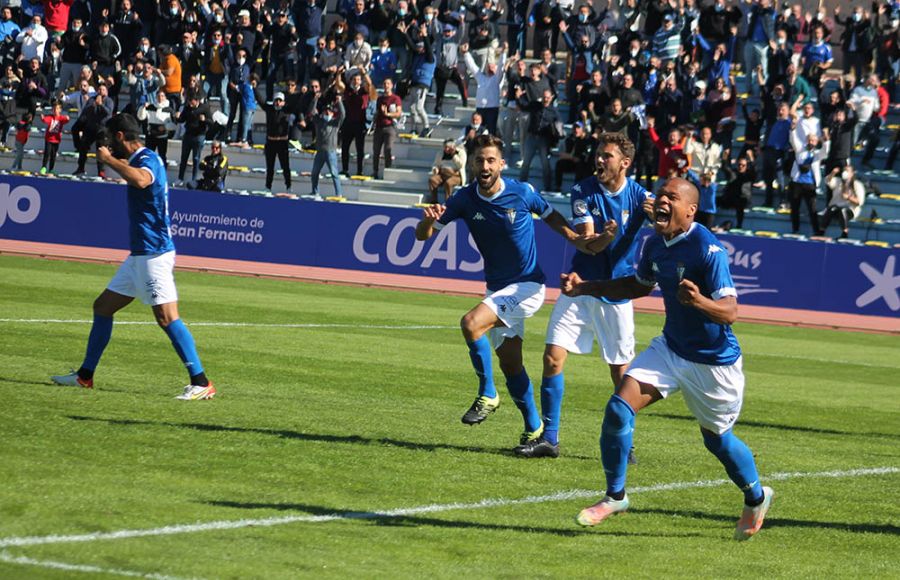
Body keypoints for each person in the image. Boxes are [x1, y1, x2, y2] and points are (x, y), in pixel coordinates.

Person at [563, 177, 773, 541]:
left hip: (713, 364)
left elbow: (730, 312)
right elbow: (636, 286)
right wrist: (586, 288)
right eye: (660, 194)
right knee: (617, 408)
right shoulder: (655, 244)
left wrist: (699, 302)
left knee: (717, 440)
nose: (661, 200)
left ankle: (756, 498)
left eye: (671, 197)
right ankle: (615, 496)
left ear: (690, 210)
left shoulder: (709, 249)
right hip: (670, 349)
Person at [414, 134, 591, 448]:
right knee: (512, 364)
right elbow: (423, 236)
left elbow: (552, 217)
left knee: (471, 323)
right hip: (497, 289)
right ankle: (535, 430)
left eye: (491, 160)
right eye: (480, 160)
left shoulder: (522, 193)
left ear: (502, 164)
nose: (485, 165)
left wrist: (577, 240)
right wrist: (427, 221)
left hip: (528, 286)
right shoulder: (464, 198)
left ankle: (487, 393)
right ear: (473, 163)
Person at [51, 113, 215, 401]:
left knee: (166, 317)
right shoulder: (140, 158)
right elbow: (134, 171)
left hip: (154, 253)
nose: (107, 146)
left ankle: (201, 382)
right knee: (102, 307)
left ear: (119, 137)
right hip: (140, 254)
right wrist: (117, 163)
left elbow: (141, 180)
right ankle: (84, 376)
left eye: (109, 140)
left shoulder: (147, 159)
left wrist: (109, 162)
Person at [515, 132, 651, 459]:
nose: (599, 160)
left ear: (625, 163)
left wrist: (660, 215)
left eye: (607, 156)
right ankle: (549, 438)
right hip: (579, 286)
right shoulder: (582, 189)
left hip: (616, 291)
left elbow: (670, 226)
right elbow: (588, 243)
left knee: (621, 373)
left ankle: (624, 441)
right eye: (599, 155)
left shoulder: (640, 196)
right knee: (551, 356)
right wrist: (606, 237)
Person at [309, 90, 345, 199]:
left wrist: (339, 102)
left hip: (331, 151)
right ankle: (315, 192)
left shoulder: (335, 123)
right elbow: (311, 111)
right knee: (314, 173)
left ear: (333, 113)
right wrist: (315, 99)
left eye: (329, 111)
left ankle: (338, 193)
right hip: (320, 151)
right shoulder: (319, 121)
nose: (327, 113)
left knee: (334, 174)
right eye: (325, 111)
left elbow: (343, 114)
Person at [259, 91, 294, 193]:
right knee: (270, 167)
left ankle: (288, 186)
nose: (278, 102)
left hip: (282, 143)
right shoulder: (269, 109)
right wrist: (255, 88)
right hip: (271, 142)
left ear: (283, 102)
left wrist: (300, 93)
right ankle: (268, 186)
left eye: (280, 101)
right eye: (276, 100)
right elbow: (261, 101)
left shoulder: (287, 110)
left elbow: (296, 103)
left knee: (285, 167)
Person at [820, 166, 865, 238]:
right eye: (844, 170)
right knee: (831, 208)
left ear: (852, 173)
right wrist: (833, 173)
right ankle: (821, 231)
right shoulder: (838, 181)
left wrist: (848, 197)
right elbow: (827, 181)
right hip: (836, 208)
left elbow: (859, 202)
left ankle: (845, 233)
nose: (845, 172)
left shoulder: (857, 185)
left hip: (851, 210)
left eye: (847, 171)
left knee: (842, 210)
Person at [372, 77, 402, 180]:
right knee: (376, 150)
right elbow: (377, 112)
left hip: (390, 127)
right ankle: (375, 171)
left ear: (392, 85)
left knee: (387, 150)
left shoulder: (396, 98)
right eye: (384, 84)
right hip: (379, 127)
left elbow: (398, 113)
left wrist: (387, 114)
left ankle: (387, 171)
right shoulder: (380, 99)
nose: (386, 86)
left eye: (388, 84)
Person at [427, 139, 466, 203]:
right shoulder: (440, 153)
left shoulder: (461, 153)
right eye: (445, 147)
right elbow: (435, 164)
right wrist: (435, 169)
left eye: (448, 148)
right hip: (442, 174)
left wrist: (453, 155)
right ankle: (434, 201)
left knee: (448, 183)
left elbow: (461, 165)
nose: (446, 149)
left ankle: (448, 202)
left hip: (456, 175)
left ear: (453, 147)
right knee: (432, 180)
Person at [39, 101, 69, 175]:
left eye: (57, 108)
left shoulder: (61, 118)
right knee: (47, 153)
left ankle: (51, 169)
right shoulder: (50, 117)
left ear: (60, 110)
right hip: (49, 139)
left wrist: (67, 118)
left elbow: (66, 120)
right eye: (54, 109)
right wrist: (43, 118)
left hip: (56, 140)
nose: (55, 110)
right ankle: (44, 167)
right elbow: (46, 120)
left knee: (53, 155)